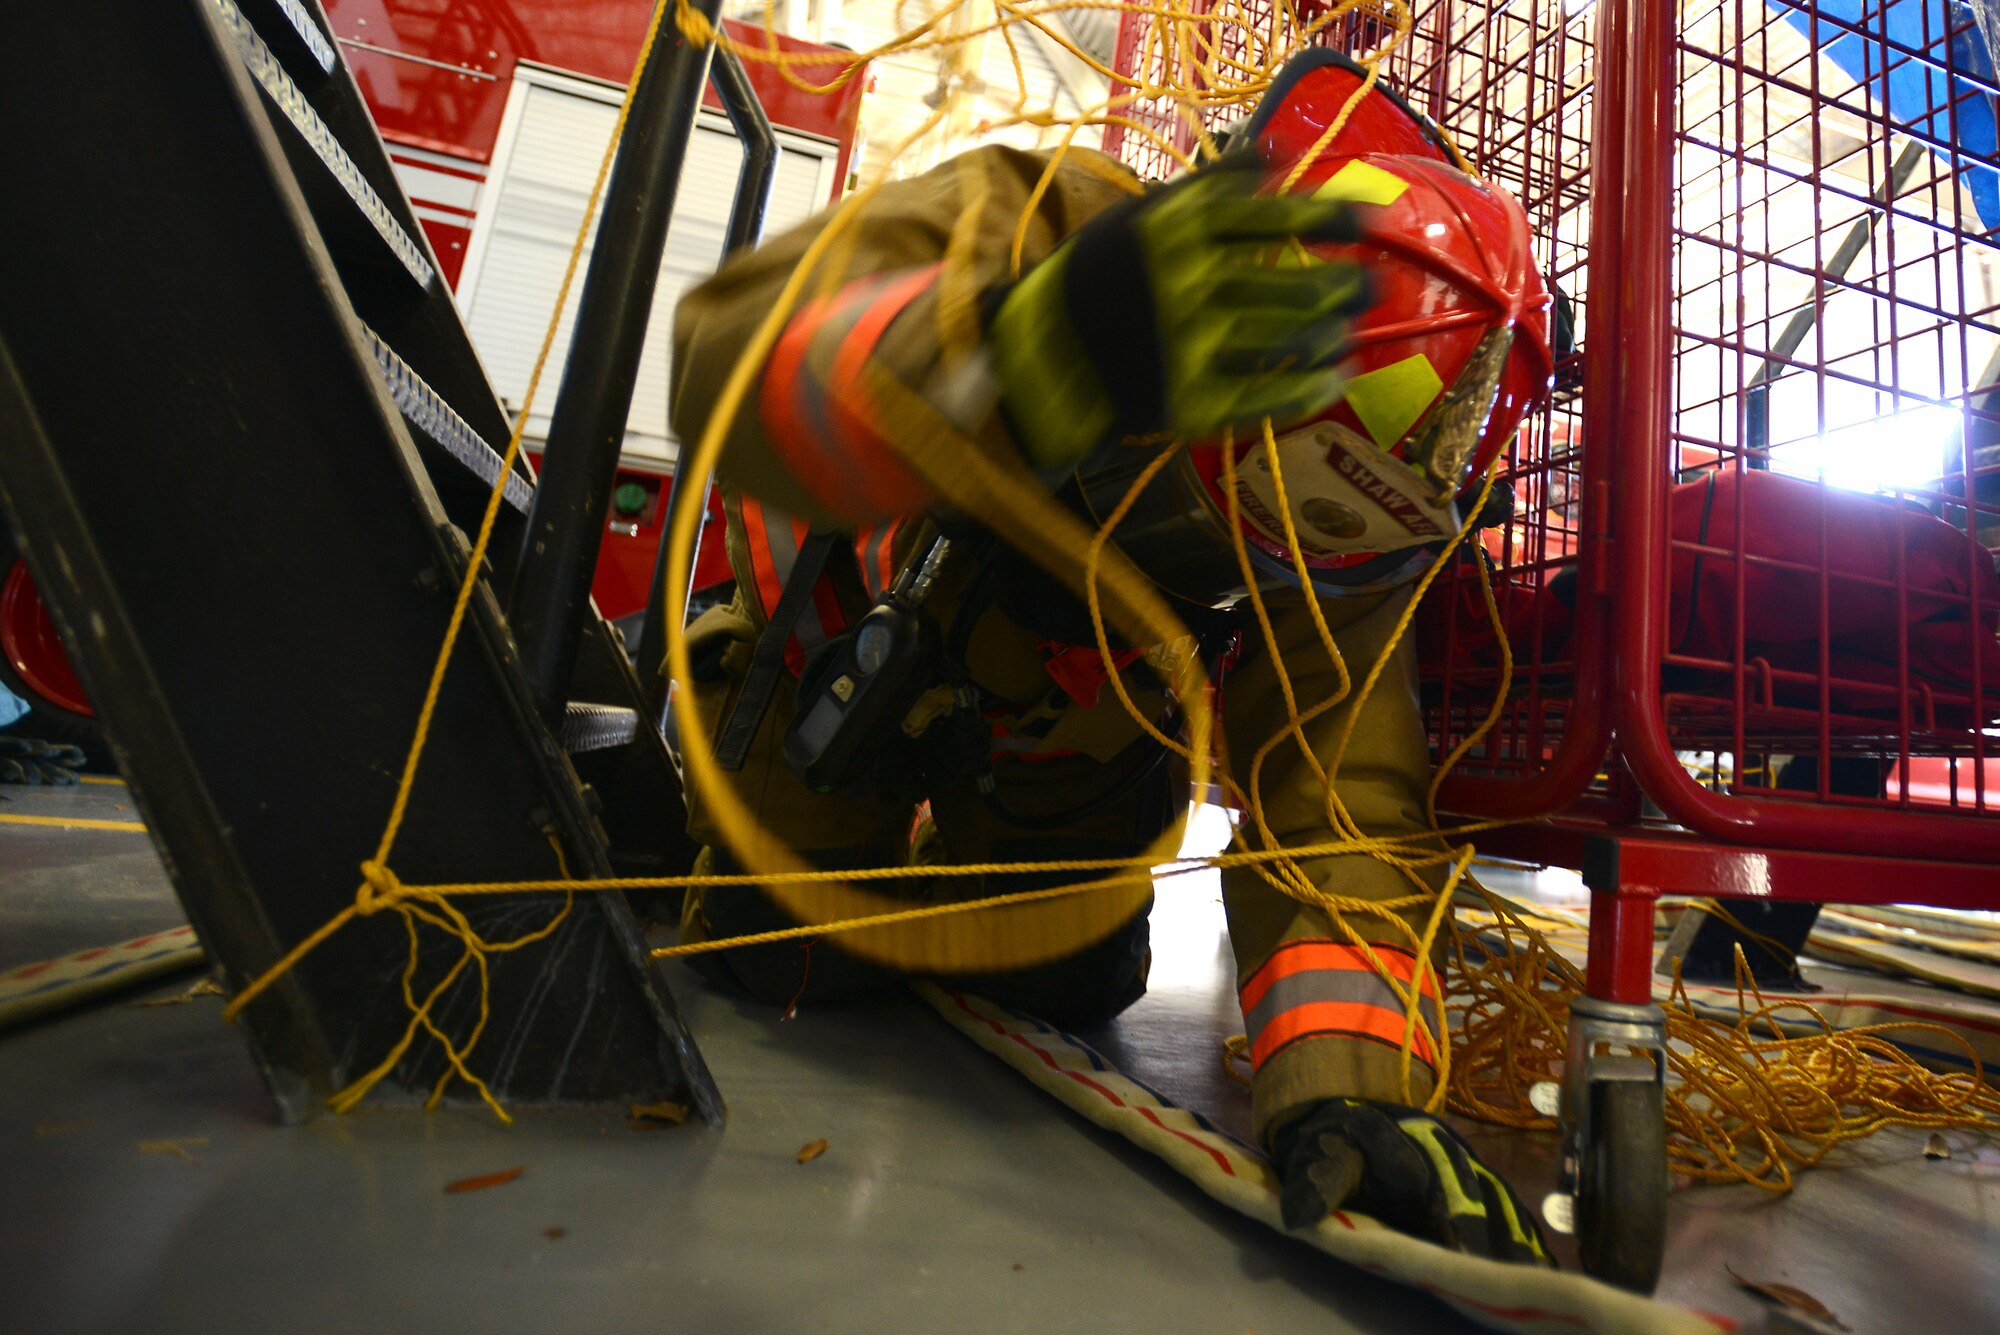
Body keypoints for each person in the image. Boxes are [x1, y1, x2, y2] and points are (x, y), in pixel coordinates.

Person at [668, 49, 1554, 1263]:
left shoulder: (1365, 504)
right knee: (786, 951)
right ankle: (719, 742)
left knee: (1063, 974)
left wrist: (1358, 1088)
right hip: (846, 646)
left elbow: (1342, 791)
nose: (1267, 542)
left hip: (1057, 718)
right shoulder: (1049, 214)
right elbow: (732, 360)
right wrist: (1024, 353)